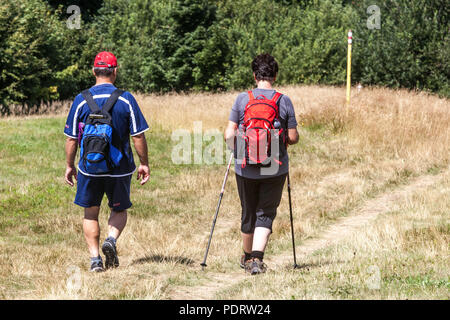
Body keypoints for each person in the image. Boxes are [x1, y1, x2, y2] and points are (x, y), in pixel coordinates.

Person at [64, 51, 150, 272]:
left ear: (94, 71)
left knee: (90, 212)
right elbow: (138, 135)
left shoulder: (80, 99)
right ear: (115, 71)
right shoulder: (125, 99)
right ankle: (111, 239)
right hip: (119, 168)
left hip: (89, 168)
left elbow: (72, 138)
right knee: (119, 209)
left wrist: (70, 165)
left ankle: (95, 260)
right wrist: (144, 163)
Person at [224, 53, 299, 275]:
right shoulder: (283, 101)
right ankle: (256, 258)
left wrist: (239, 149)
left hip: (245, 167)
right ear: (274, 76)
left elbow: (229, 134)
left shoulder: (242, 99)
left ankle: (248, 258)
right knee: (265, 212)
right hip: (275, 167)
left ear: (254, 75)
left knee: (248, 212)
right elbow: (293, 137)